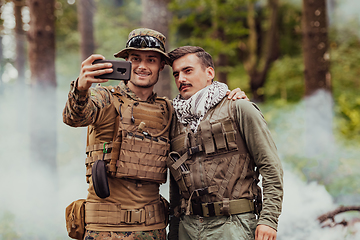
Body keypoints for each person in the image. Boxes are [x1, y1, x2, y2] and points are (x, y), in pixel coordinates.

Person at [63, 28, 246, 240]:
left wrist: (232, 99)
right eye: (135, 59)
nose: (142, 66)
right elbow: (74, 117)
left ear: (161, 66)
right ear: (126, 62)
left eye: (151, 59)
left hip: (153, 230)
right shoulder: (104, 98)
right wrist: (81, 87)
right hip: (106, 230)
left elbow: (204, 124)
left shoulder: (170, 110)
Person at [166, 46, 284, 240]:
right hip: (188, 227)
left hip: (233, 226)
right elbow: (176, 184)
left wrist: (268, 220)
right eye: (176, 74)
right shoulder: (175, 120)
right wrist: (175, 228)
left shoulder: (239, 108)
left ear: (209, 72)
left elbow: (270, 166)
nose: (181, 79)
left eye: (188, 71)